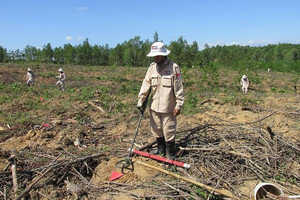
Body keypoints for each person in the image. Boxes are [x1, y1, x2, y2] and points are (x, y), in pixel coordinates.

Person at [136, 42, 184, 159]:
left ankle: (170, 153)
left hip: (168, 106)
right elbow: (146, 85)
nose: (156, 57)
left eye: (158, 55)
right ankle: (160, 150)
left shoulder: (173, 68)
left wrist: (179, 105)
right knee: (156, 129)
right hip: (154, 107)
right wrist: (140, 101)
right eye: (154, 56)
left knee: (169, 130)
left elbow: (179, 87)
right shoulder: (152, 68)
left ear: (163, 55)